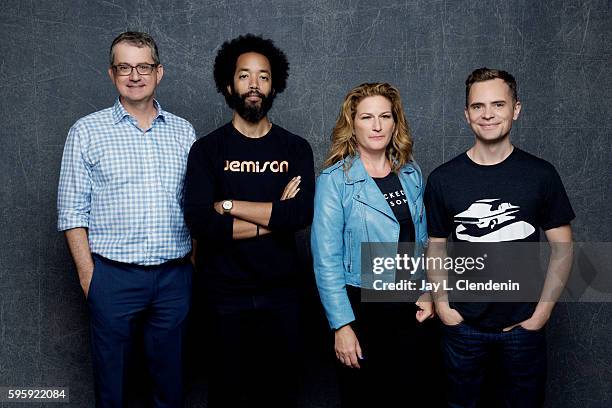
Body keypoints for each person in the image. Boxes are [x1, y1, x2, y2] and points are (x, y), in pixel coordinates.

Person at [57, 32, 196, 407]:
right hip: (113, 277)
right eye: (124, 67)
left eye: (143, 66)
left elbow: (195, 203)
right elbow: (72, 211)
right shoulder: (86, 132)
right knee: (113, 386)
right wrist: (90, 278)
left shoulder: (184, 132)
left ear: (159, 71)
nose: (134, 75)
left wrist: (192, 265)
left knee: (171, 384)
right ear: (111, 73)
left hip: (174, 277)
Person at [424, 67, 575, 407]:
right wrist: (445, 307)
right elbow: (435, 246)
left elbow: (563, 249)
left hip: (523, 328)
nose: (488, 114)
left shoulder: (541, 175)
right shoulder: (443, 179)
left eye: (498, 104)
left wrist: (541, 314)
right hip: (462, 328)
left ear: (515, 109)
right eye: (478, 106)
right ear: (467, 114)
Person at [183, 34, 315, 408]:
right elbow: (201, 224)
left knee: (279, 395)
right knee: (225, 394)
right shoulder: (207, 150)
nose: (254, 84)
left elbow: (300, 215)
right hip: (223, 296)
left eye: (263, 76)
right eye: (244, 76)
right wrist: (274, 214)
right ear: (229, 84)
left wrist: (226, 205)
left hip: (283, 295)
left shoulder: (295, 148)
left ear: (275, 85)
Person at [311, 82, 436, 407]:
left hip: (410, 309)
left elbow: (420, 241)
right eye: (367, 117)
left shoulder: (411, 173)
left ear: (396, 122)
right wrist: (342, 325)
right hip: (362, 308)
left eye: (385, 116)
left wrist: (425, 291)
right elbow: (326, 260)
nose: (377, 125)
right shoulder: (334, 179)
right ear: (353, 124)